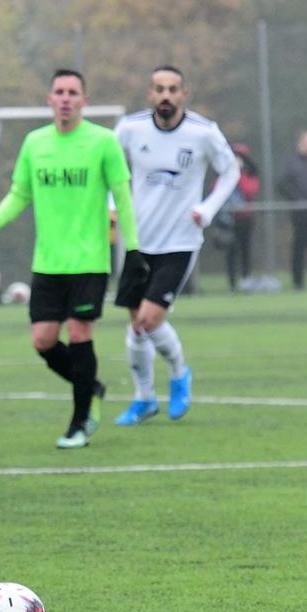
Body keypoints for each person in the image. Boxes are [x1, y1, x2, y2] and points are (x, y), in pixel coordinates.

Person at [0, 69, 142, 449]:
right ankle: (90, 386)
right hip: (47, 263)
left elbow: (124, 198)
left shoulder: (103, 142)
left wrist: (134, 248)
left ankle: (79, 422)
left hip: (89, 261)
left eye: (73, 92)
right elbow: (19, 194)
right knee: (43, 340)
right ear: (50, 99)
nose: (65, 98)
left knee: (80, 334)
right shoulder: (35, 143)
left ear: (84, 100)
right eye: (59, 91)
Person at [111, 66, 239, 425]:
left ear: (184, 94)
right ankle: (144, 398)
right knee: (136, 324)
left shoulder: (203, 132)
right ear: (150, 94)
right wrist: (110, 204)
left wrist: (207, 208)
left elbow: (231, 171)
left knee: (150, 319)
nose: (166, 95)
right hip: (138, 241)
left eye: (173, 89)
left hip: (180, 241)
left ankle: (180, 374)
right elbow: (108, 166)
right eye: (159, 89)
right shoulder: (129, 129)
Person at [216, 143, 260, 292]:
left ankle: (246, 281)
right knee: (231, 252)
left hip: (245, 219)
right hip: (228, 219)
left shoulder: (250, 173)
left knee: (245, 250)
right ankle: (232, 284)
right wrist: (230, 172)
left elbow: (249, 191)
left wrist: (238, 174)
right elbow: (217, 190)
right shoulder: (223, 173)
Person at [279, 129, 307, 290]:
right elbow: (283, 184)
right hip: (300, 214)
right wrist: (298, 199)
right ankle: (298, 283)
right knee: (299, 248)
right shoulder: (291, 162)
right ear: (300, 143)